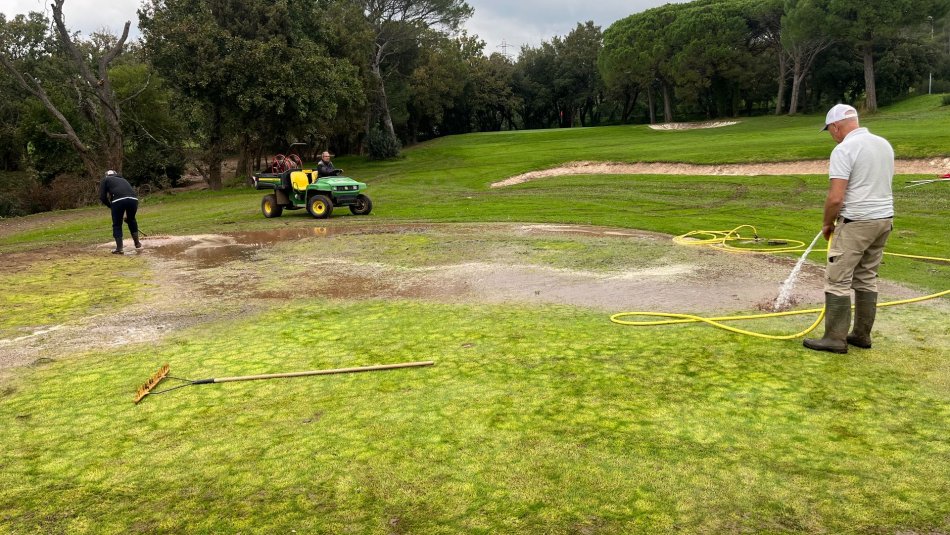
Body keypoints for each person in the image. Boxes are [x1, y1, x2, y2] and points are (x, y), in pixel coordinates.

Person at [803, 104, 894, 354]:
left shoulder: (844, 149)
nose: (831, 135)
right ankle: (861, 335)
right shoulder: (883, 144)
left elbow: (835, 198)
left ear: (835, 126)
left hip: (857, 222)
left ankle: (834, 338)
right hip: (884, 220)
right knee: (866, 277)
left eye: (830, 130)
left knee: (837, 280)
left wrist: (826, 223)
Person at [98, 169, 141, 254]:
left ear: (106, 175)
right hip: (133, 199)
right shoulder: (123, 179)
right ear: (116, 174)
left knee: (117, 224)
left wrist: (110, 206)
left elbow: (102, 197)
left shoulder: (105, 179)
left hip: (118, 200)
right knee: (131, 220)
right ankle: (137, 243)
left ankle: (119, 248)